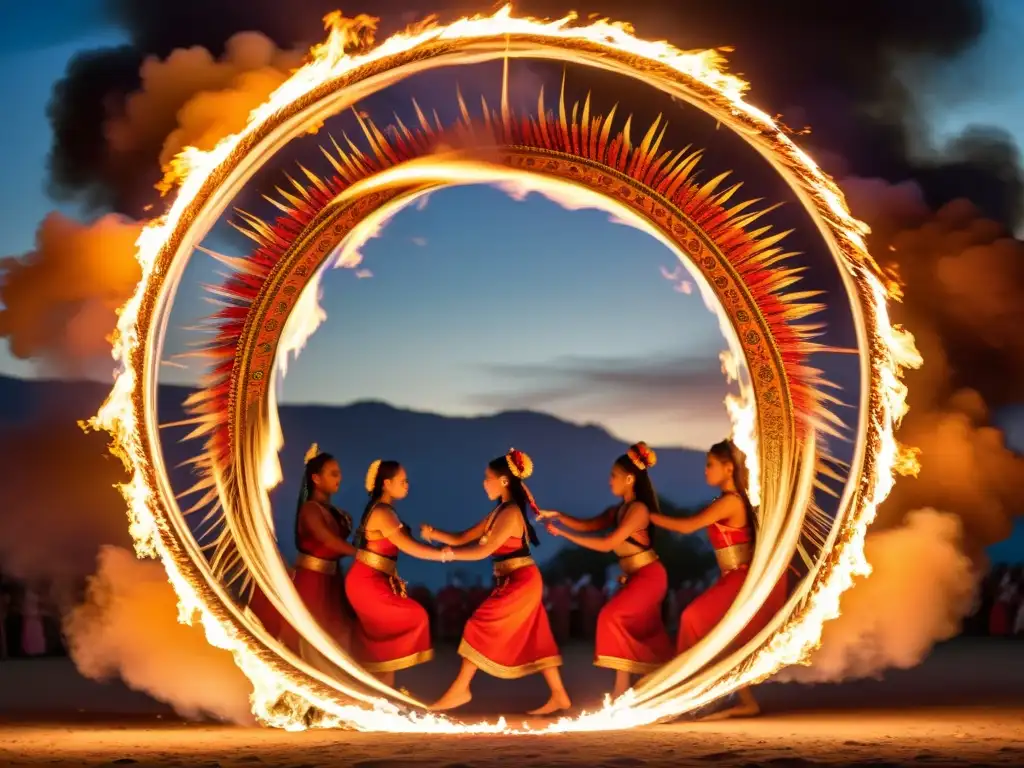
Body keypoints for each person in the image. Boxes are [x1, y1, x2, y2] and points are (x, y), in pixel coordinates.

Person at [421, 448, 571, 715]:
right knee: (538, 636)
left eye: (487, 477)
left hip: (521, 581)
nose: (483, 483)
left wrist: (449, 555)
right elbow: (463, 536)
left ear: (503, 481)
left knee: (479, 623)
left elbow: (482, 551)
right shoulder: (499, 512)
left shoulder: (510, 513)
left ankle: (460, 688)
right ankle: (560, 696)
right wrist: (435, 534)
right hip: (516, 580)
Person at [649, 439, 788, 720]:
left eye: (710, 464)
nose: (705, 470)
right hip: (732, 579)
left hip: (740, 579)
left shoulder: (730, 501)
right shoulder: (730, 500)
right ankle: (739, 700)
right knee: (722, 636)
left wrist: (648, 516)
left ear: (728, 468)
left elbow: (687, 527)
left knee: (693, 619)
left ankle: (684, 695)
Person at [539, 442, 673, 697]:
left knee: (611, 618)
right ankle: (632, 690)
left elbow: (606, 543)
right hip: (635, 578)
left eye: (614, 475)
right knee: (643, 634)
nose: (609, 480)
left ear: (630, 478)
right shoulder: (619, 510)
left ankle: (628, 691)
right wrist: (557, 515)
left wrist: (563, 533)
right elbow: (589, 525)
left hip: (649, 577)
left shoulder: (638, 510)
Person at [249, 445, 357, 671]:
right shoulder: (310, 510)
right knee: (307, 635)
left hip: (332, 580)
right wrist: (360, 554)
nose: (339, 478)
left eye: (339, 473)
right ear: (316, 478)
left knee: (336, 634)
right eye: (333, 473)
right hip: (311, 582)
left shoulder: (334, 512)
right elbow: (328, 541)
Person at [346, 459, 451, 687]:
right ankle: (376, 695)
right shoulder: (382, 512)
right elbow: (409, 546)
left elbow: (408, 543)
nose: (407, 485)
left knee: (384, 642)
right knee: (411, 618)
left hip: (375, 580)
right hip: (367, 583)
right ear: (386, 483)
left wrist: (437, 542)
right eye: (402, 481)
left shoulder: (384, 510)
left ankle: (384, 695)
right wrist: (442, 555)